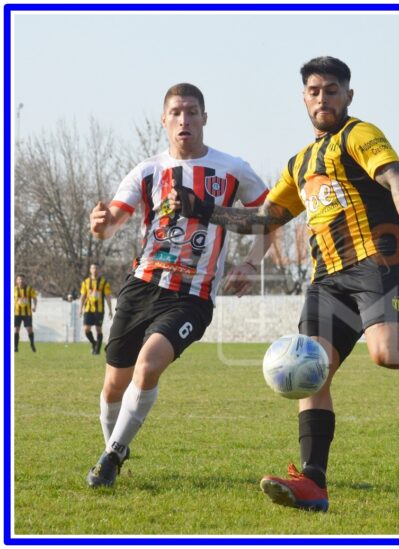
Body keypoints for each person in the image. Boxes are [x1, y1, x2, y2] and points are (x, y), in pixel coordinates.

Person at [172, 56, 399, 512]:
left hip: (381, 264)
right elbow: (264, 218)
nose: (323, 98)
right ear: (303, 98)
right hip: (326, 279)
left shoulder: (360, 135)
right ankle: (313, 483)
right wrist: (201, 208)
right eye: (314, 91)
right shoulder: (299, 163)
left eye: (332, 90)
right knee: (313, 369)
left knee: (388, 354)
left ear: (348, 95)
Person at [85, 83, 269, 488]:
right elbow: (113, 222)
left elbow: (268, 220)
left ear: (205, 118)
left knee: (148, 365)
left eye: (191, 112)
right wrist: (100, 226)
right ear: (164, 120)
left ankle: (110, 459)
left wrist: (252, 263)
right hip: (141, 286)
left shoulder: (232, 169)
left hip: (192, 296)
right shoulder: (147, 171)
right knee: (113, 384)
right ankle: (114, 448)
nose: (184, 120)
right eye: (176, 113)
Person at [79, 263, 113, 355]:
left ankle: (97, 351)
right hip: (88, 309)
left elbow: (108, 296)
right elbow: (82, 296)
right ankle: (94, 343)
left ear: (99, 270)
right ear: (90, 270)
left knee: (98, 329)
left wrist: (110, 309)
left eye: (96, 268)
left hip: (99, 309)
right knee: (86, 329)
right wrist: (80, 308)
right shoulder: (86, 282)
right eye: (93, 268)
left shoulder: (104, 282)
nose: (95, 270)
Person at [14, 274, 37, 353]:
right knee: (16, 329)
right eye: (19, 279)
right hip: (17, 313)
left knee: (29, 329)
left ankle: (32, 344)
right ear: (16, 281)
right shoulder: (14, 290)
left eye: (22, 279)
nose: (21, 281)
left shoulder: (29, 289)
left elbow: (34, 298)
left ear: (25, 280)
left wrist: (34, 306)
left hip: (27, 313)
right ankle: (15, 347)